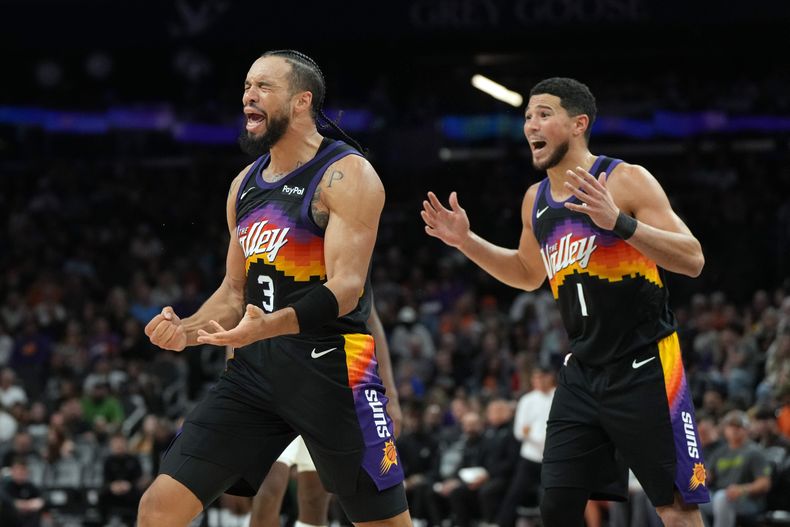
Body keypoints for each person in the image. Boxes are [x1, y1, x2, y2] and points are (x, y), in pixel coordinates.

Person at [421, 77, 709, 526]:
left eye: (544, 114)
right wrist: (467, 242)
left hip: (645, 364)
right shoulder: (534, 200)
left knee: (675, 508)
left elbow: (692, 259)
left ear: (579, 124)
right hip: (582, 371)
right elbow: (526, 273)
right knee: (556, 506)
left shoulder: (625, 179)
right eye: (527, 117)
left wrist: (619, 223)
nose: (530, 125)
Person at [139, 50, 409, 527]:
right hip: (254, 375)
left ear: (302, 101)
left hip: (333, 370)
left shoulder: (346, 174)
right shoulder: (243, 184)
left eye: (263, 86)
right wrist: (186, 330)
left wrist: (267, 326)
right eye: (246, 86)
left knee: (380, 522)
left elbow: (346, 289)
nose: (249, 96)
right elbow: (233, 290)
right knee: (158, 508)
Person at [250, 305, 402, 527]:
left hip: (327, 388)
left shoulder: (348, 282)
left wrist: (392, 396)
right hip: (274, 386)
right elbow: (238, 312)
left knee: (315, 498)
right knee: (268, 491)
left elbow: (370, 320)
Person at [496, 364, 556, 527]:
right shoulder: (527, 400)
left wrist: (531, 434)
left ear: (550, 377)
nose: (538, 381)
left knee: (552, 498)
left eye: (541, 377)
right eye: (535, 377)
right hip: (529, 456)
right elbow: (519, 432)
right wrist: (539, 437)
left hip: (552, 458)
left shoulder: (559, 396)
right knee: (514, 495)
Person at [700, 410, 772, 527]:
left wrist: (742, 489)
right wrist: (701, 478)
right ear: (725, 430)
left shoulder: (754, 452)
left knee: (722, 498)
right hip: (721, 495)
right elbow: (709, 476)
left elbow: (765, 483)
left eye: (738, 426)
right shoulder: (720, 452)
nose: (734, 430)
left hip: (748, 500)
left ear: (747, 429)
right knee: (694, 498)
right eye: (730, 426)